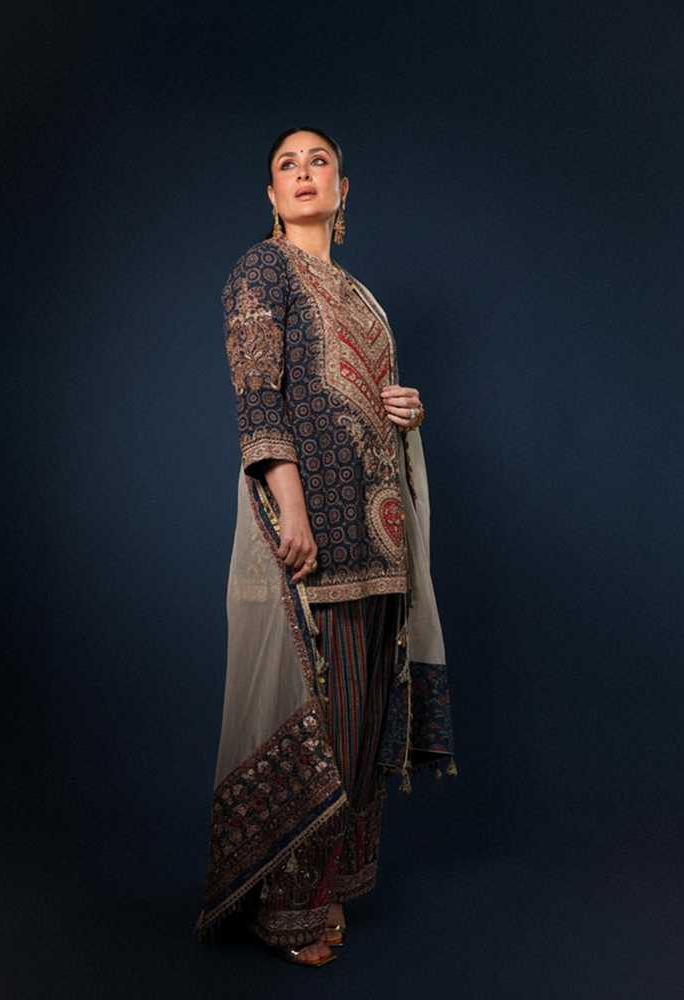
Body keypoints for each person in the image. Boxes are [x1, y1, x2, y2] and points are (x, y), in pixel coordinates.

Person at [193, 126, 457, 967]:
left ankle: (330, 886)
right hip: (320, 535)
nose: (304, 173)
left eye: (320, 162)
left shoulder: (362, 297)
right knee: (321, 722)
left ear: (344, 190)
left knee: (365, 720)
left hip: (381, 538)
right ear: (271, 196)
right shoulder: (261, 271)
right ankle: (286, 907)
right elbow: (259, 402)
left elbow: (369, 398)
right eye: (287, 164)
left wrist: (406, 411)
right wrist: (293, 513)